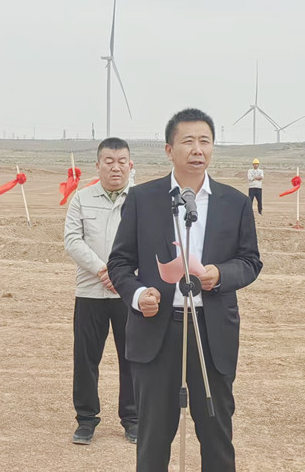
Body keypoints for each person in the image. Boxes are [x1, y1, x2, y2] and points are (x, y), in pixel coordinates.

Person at [108, 108, 262, 471]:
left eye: (205, 141)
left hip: (211, 331)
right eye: (188, 141)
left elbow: (250, 261)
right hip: (158, 331)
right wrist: (138, 295)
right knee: (153, 437)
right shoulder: (143, 199)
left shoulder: (235, 203)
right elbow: (120, 263)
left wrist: (220, 274)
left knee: (216, 434)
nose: (197, 149)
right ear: (169, 150)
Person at [64, 137, 137, 445]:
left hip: (129, 294)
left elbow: (148, 243)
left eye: (121, 162)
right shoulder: (82, 198)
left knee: (132, 358)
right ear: (98, 165)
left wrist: (122, 277)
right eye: (109, 161)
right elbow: (72, 240)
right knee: (86, 359)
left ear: (130, 165)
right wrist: (102, 270)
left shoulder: (140, 200)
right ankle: (86, 419)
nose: (115, 167)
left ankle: (133, 418)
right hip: (90, 292)